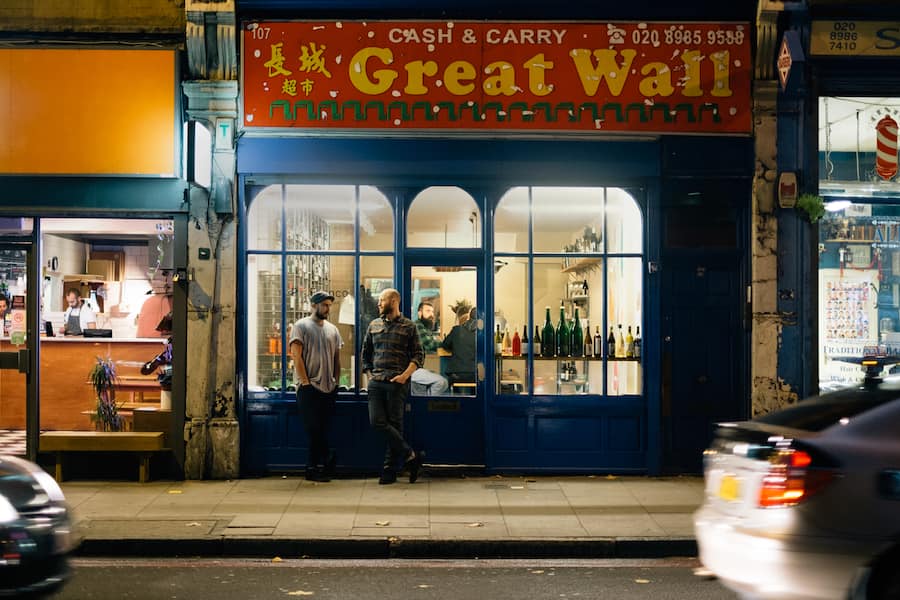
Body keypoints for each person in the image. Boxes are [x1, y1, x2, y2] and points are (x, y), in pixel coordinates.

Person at [361, 288, 425, 485]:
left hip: (397, 383)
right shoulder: (374, 325)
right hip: (376, 382)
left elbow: (418, 355)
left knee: (395, 424)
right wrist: (370, 376)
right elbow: (365, 354)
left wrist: (404, 377)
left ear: (394, 301)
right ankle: (411, 456)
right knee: (377, 422)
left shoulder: (409, 326)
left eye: (382, 300)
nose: (379, 303)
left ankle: (389, 470)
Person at [290, 291, 343, 483]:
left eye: (329, 305)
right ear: (314, 305)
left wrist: (336, 382)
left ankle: (314, 467)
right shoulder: (301, 326)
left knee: (321, 428)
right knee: (313, 428)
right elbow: (296, 356)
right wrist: (305, 383)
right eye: (325, 305)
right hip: (309, 386)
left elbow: (337, 359)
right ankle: (324, 460)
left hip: (328, 388)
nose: (328, 309)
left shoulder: (333, 330)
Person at [409, 301, 449, 395]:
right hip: (410, 369)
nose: (431, 314)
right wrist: (443, 342)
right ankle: (427, 401)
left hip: (416, 368)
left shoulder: (425, 328)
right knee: (442, 382)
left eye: (432, 311)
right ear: (420, 313)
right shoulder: (417, 326)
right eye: (427, 311)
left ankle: (426, 400)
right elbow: (429, 344)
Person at [440, 306, 478, 389]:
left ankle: (457, 397)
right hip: (477, 375)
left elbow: (445, 345)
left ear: (469, 316)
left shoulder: (456, 330)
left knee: (453, 383)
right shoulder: (483, 334)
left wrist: (456, 346)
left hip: (457, 374)